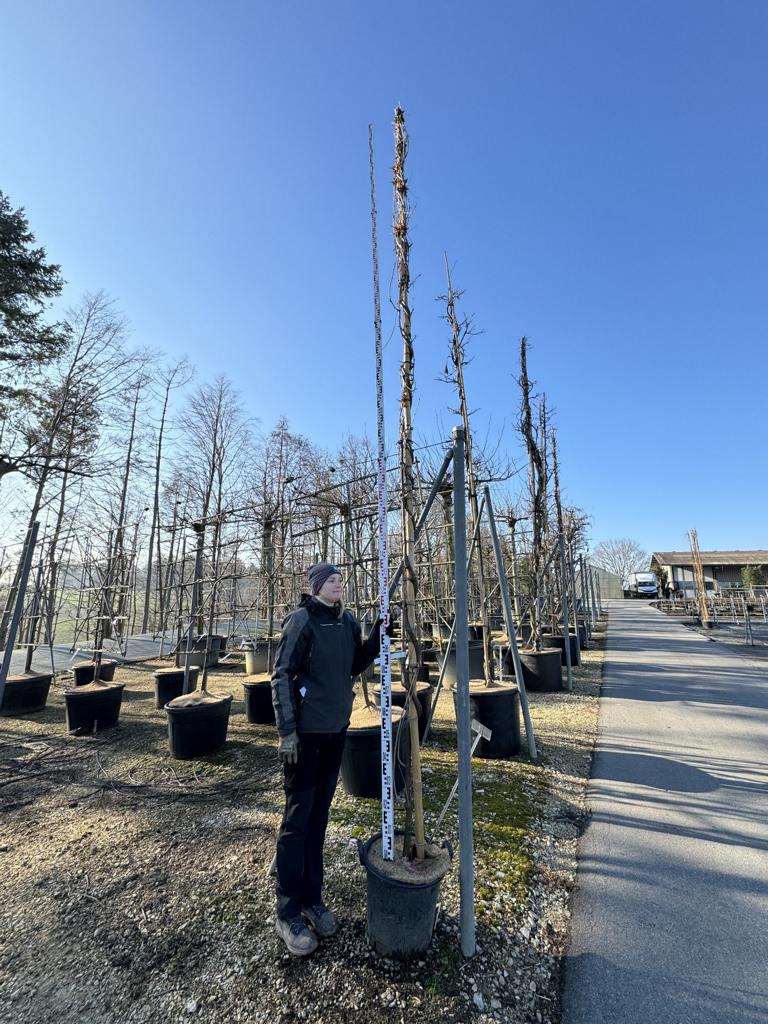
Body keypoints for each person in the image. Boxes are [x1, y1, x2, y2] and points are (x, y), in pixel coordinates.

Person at [271, 562, 385, 956]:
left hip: (337, 732)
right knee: (297, 821)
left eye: (341, 580)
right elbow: (281, 675)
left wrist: (376, 636)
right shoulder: (301, 622)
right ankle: (287, 912)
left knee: (319, 818)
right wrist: (287, 732)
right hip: (305, 739)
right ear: (318, 586)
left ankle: (312, 901)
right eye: (332, 580)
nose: (339, 584)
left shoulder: (348, 620)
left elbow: (354, 665)